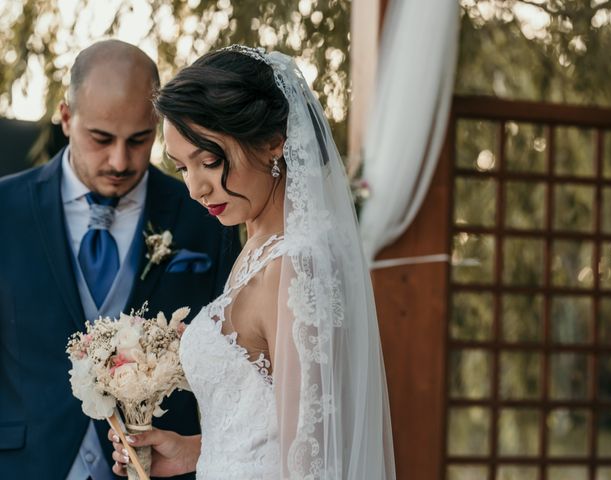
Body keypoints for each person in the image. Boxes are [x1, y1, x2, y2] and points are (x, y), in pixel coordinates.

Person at [109, 45, 396, 479]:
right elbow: (272, 426)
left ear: (272, 143)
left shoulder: (293, 266)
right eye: (181, 168)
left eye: (209, 161)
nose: (196, 188)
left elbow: (312, 458)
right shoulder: (257, 244)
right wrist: (194, 453)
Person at [0, 40, 240, 479]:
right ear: (67, 117)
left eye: (139, 140)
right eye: (101, 138)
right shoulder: (5, 208)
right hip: (27, 464)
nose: (120, 160)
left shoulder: (206, 216)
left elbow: (234, 363)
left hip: (162, 467)